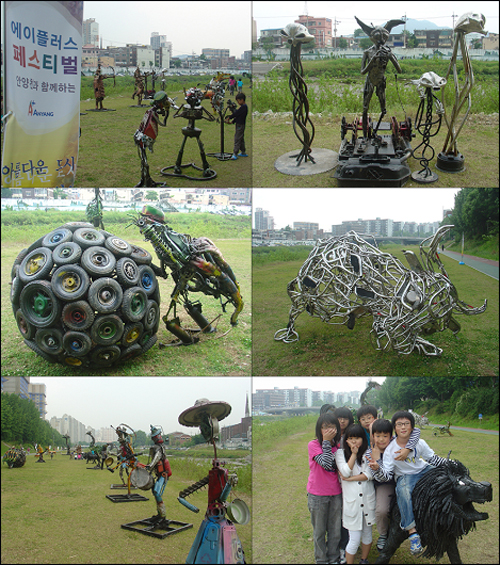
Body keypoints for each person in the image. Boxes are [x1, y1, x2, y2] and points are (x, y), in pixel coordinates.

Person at [368, 411, 448, 556]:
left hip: (424, 470)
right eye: (399, 424)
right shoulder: (390, 450)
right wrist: (377, 468)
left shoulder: (419, 442)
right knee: (403, 493)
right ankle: (412, 532)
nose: (403, 427)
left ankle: (443, 520)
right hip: (405, 476)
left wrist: (450, 464)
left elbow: (433, 459)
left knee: (444, 479)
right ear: (395, 429)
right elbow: (386, 475)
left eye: (406, 424)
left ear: (412, 427)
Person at [335, 424, 375, 565]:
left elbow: (369, 475)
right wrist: (353, 454)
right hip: (352, 504)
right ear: (345, 440)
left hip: (367, 500)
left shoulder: (369, 453)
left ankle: (364, 560)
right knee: (354, 538)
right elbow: (345, 471)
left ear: (363, 439)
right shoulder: (340, 454)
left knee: (367, 534)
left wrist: (350, 479)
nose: (354, 441)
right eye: (350, 438)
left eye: (357, 438)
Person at [307, 413, 342, 565]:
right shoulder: (313, 445)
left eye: (332, 426)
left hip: (336, 493)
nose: (328, 430)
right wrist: (327, 442)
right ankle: (321, 560)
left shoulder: (339, 446)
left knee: (335, 531)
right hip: (317, 494)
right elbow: (327, 463)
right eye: (325, 427)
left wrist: (331, 443)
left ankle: (333, 558)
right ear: (319, 429)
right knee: (319, 531)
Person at [225, 92, 248, 160]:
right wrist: (232, 122)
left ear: (242, 100)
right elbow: (238, 116)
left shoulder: (244, 107)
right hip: (239, 125)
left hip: (240, 126)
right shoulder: (242, 108)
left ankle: (235, 154)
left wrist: (229, 117)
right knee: (241, 139)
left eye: (238, 101)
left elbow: (236, 113)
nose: (237, 102)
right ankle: (243, 152)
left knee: (237, 139)